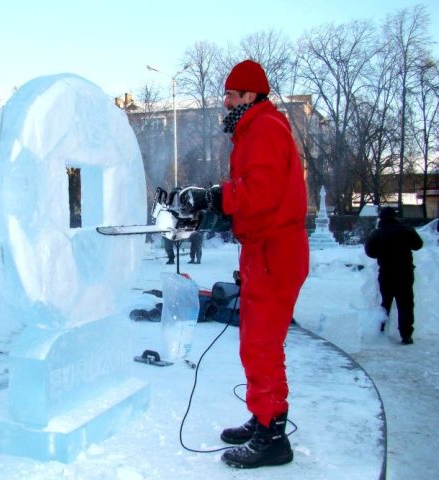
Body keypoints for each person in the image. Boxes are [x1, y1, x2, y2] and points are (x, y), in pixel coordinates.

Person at [179, 59, 309, 469]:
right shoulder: (252, 130)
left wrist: (216, 195)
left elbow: (262, 191)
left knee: (262, 346)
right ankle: (262, 419)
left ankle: (273, 438)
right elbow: (251, 199)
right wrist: (213, 209)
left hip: (276, 252)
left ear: (252, 95)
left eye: (232, 95)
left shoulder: (266, 128)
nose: (225, 101)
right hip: (262, 251)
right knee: (254, 344)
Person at [365, 206, 423, 345]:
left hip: (386, 273)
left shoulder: (377, 233)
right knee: (406, 304)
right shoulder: (406, 230)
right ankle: (406, 334)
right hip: (405, 272)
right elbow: (418, 244)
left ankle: (381, 330)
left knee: (385, 303)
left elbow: (370, 252)